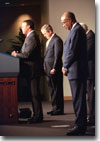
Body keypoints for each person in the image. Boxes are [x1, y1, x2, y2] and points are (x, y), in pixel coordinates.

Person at [61, 12, 88, 135]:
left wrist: (65, 66)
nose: (63, 25)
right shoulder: (75, 30)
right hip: (75, 70)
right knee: (77, 99)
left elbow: (72, 51)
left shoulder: (77, 30)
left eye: (64, 22)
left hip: (77, 70)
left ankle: (80, 126)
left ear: (70, 20)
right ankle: (80, 124)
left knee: (79, 99)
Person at [11, 20, 43, 123]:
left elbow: (27, 54)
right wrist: (19, 53)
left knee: (35, 94)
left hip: (33, 70)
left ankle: (38, 116)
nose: (22, 28)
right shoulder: (29, 37)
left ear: (28, 27)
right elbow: (25, 53)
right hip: (30, 70)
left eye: (23, 26)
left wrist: (16, 55)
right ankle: (36, 115)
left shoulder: (32, 36)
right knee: (33, 94)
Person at [41, 24, 64, 115]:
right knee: (52, 89)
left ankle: (59, 109)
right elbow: (46, 56)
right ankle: (54, 108)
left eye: (44, 33)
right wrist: (44, 65)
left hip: (54, 69)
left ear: (50, 31)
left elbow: (57, 56)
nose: (44, 35)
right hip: (48, 69)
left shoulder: (57, 40)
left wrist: (54, 67)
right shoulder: (49, 40)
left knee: (57, 89)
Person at [80, 23, 95, 126]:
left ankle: (92, 118)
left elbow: (87, 53)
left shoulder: (90, 37)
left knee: (91, 95)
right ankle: (91, 116)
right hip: (88, 70)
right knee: (89, 95)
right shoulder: (88, 36)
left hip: (91, 70)